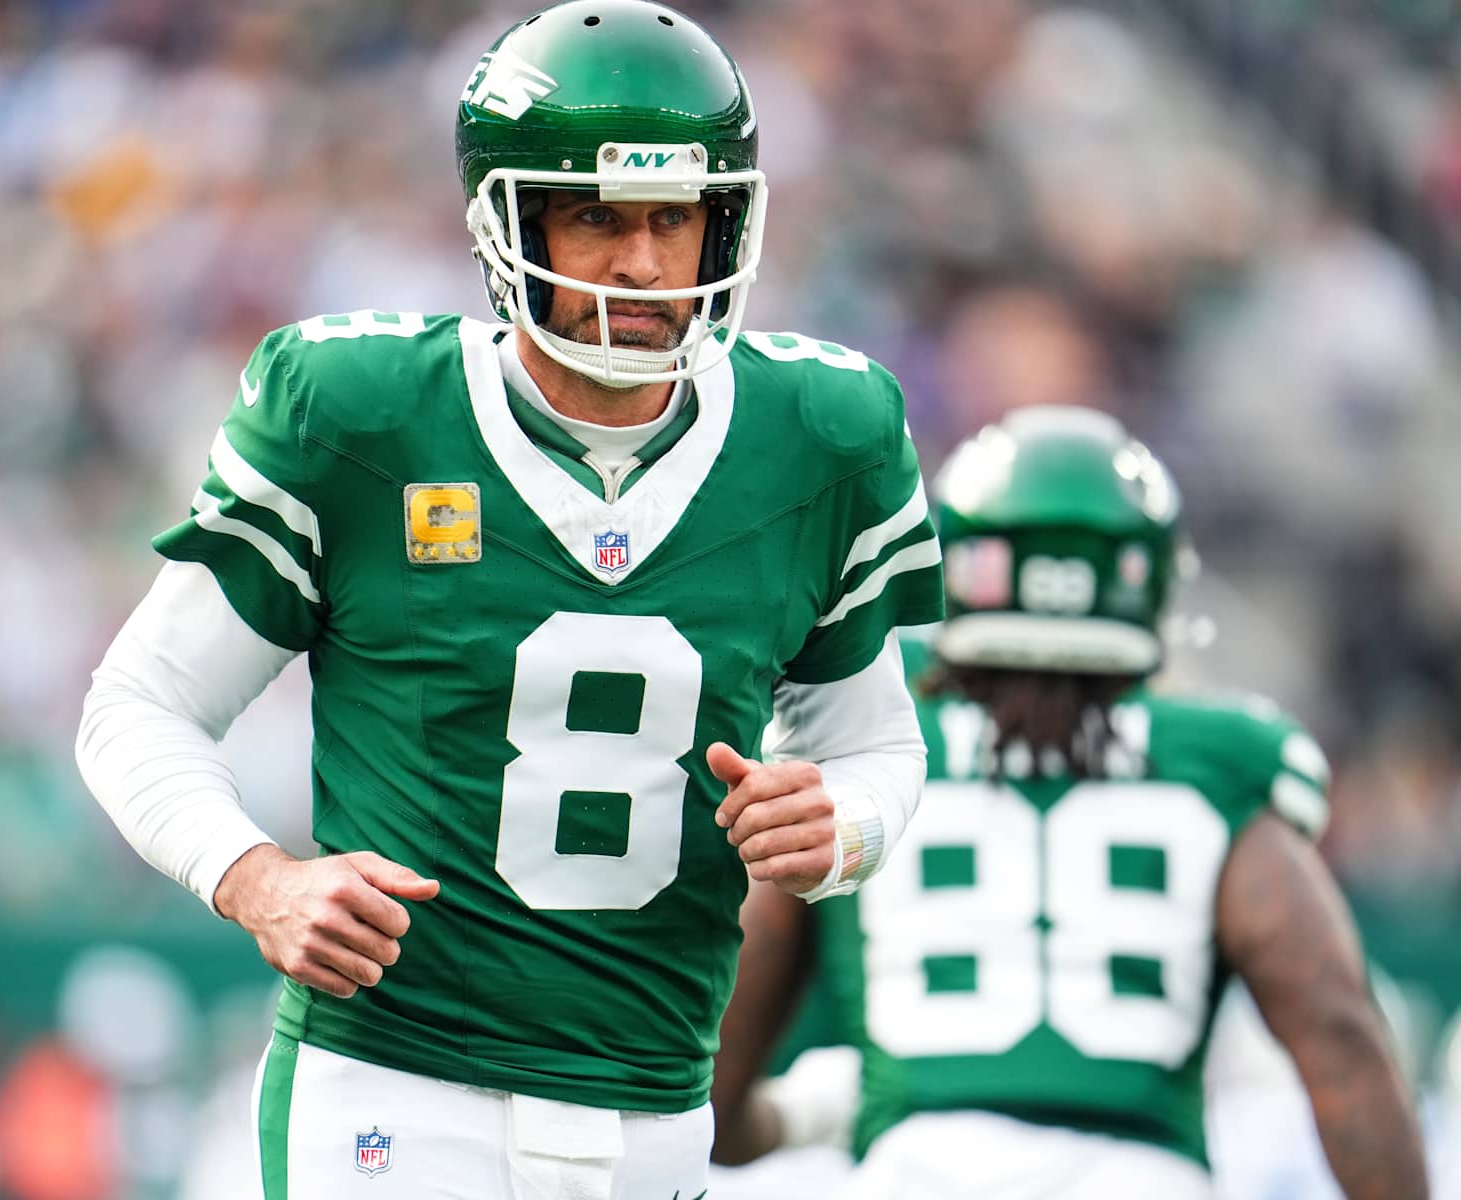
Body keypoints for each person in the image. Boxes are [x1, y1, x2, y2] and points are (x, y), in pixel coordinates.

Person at [76, 1, 945, 1194]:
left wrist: (841, 826)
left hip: (655, 1102)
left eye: (673, 219)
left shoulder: (821, 438)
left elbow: (878, 745)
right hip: (395, 1088)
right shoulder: (365, 412)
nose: (642, 263)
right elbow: (139, 704)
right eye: (594, 217)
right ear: (506, 218)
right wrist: (257, 879)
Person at [709, 406, 1430, 1200]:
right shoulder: (1220, 772)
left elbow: (718, 1081)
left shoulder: (861, 761)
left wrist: (803, 1114)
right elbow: (1339, 1030)